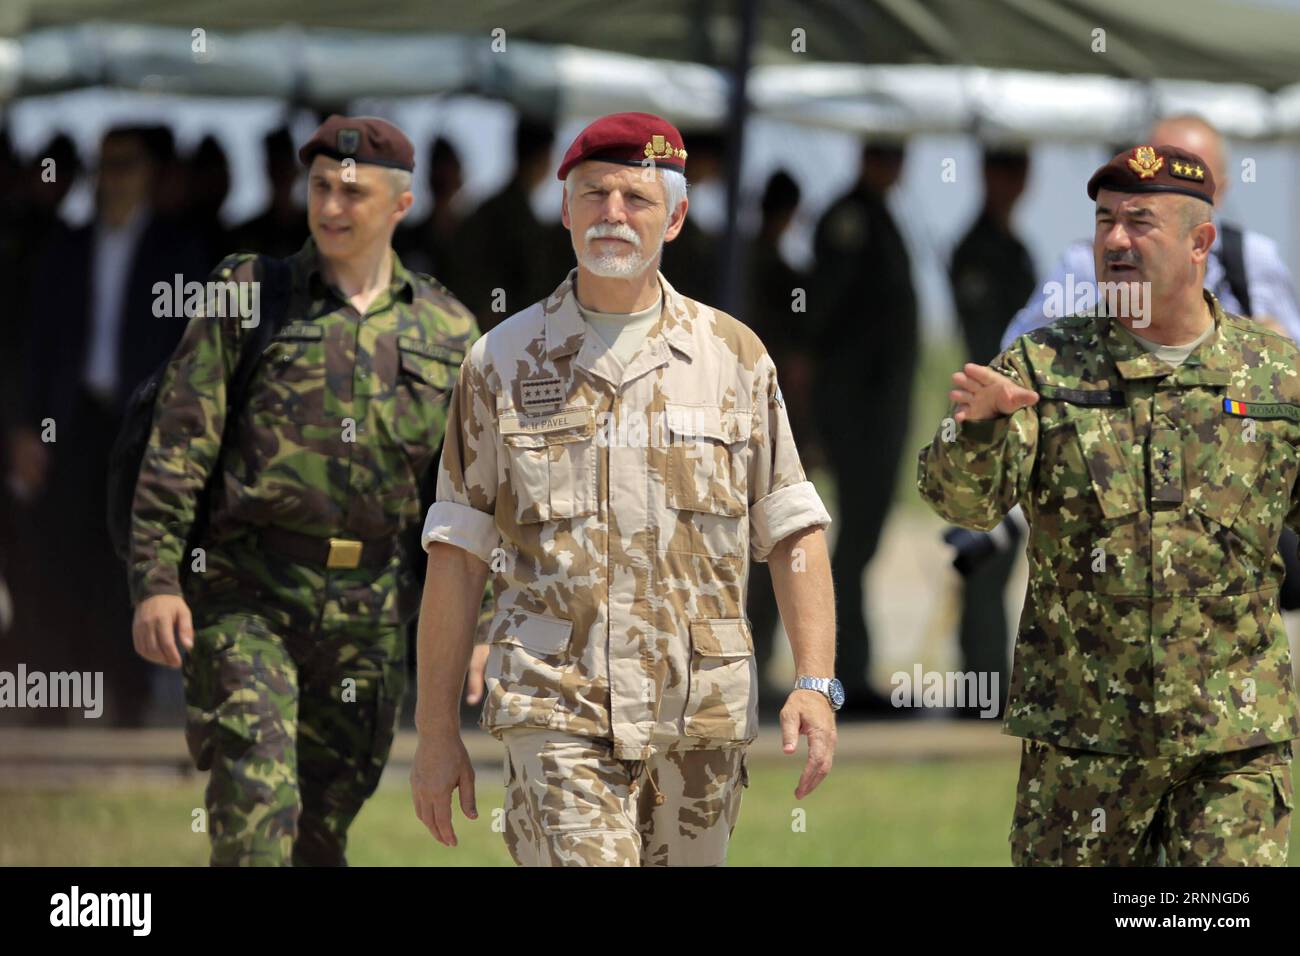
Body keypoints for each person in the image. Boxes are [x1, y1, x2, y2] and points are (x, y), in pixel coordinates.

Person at [410, 111, 840, 867]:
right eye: (594, 195)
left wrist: (814, 682)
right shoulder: (500, 363)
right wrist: (435, 729)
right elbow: (458, 551)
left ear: (674, 217)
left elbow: (792, 529)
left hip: (697, 718)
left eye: (636, 199)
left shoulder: (735, 358)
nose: (613, 214)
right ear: (566, 210)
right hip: (554, 705)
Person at [918, 144, 1300, 865]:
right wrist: (979, 433)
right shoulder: (1040, 367)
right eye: (1104, 222)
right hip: (1084, 749)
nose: (1116, 241)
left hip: (1231, 747)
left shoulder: (1276, 377)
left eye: (1140, 223)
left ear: (1199, 243)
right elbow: (962, 504)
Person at [129, 115, 483, 865]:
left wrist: (482, 625)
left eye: (352, 192)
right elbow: (178, 441)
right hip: (246, 595)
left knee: (321, 836)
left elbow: (466, 503)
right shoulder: (247, 293)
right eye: (320, 187)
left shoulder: (449, 331)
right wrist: (157, 580)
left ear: (400, 205)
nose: (330, 207)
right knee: (258, 810)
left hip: (372, 617)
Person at [10, 126, 206, 725]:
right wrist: (22, 428)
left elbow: (196, 355)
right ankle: (54, 709)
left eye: (124, 163)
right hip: (69, 427)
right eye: (103, 165)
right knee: (57, 560)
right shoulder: (65, 248)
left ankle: (127, 705)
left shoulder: (179, 252)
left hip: (142, 428)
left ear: (151, 172)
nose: (111, 177)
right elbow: (31, 345)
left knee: (132, 560)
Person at [810, 138, 917, 716]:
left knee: (863, 541)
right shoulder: (850, 220)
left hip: (880, 410)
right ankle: (841, 675)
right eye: (887, 155)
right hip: (855, 408)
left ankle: (849, 671)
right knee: (852, 545)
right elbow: (824, 316)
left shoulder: (880, 218)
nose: (895, 167)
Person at [944, 147, 1037, 719]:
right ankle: (982, 691)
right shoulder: (977, 248)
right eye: (1006, 167)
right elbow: (988, 347)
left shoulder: (1015, 246)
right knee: (982, 549)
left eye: (1021, 168)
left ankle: (993, 687)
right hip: (981, 422)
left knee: (1003, 553)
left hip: (1017, 420)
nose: (1016, 180)